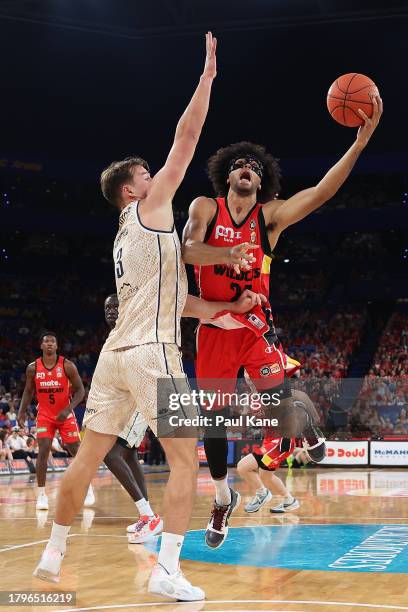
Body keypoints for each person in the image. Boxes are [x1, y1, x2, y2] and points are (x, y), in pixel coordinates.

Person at [33, 32, 218, 602]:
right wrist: (207, 75)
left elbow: (176, 299)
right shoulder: (151, 206)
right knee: (187, 459)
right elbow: (186, 138)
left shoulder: (126, 237)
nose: (155, 175)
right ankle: (167, 570)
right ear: (132, 189)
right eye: (146, 173)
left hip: (115, 354)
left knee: (88, 457)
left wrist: (222, 315)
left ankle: (52, 552)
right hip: (154, 354)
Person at [182, 95, 383, 548]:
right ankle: (221, 495)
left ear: (262, 180)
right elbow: (185, 250)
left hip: (254, 323)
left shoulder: (268, 218)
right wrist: (225, 254)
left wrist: (361, 141)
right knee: (212, 423)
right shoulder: (204, 207)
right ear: (227, 175)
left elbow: (322, 193)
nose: (246, 165)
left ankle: (304, 425)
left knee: (278, 399)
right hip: (214, 327)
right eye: (238, 162)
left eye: (253, 164)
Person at [17, 332, 95, 510]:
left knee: (76, 451)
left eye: (53, 341)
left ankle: (88, 487)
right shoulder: (32, 368)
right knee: (43, 450)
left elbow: (81, 391)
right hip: (45, 415)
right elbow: (28, 391)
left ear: (57, 346)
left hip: (65, 414)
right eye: (46, 341)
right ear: (41, 346)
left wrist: (68, 409)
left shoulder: (67, 365)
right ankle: (42, 496)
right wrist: (21, 412)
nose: (50, 344)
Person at [237, 437, 299, 513]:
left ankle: (262, 493)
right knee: (266, 476)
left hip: (279, 443)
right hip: (271, 440)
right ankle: (289, 501)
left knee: (243, 467)